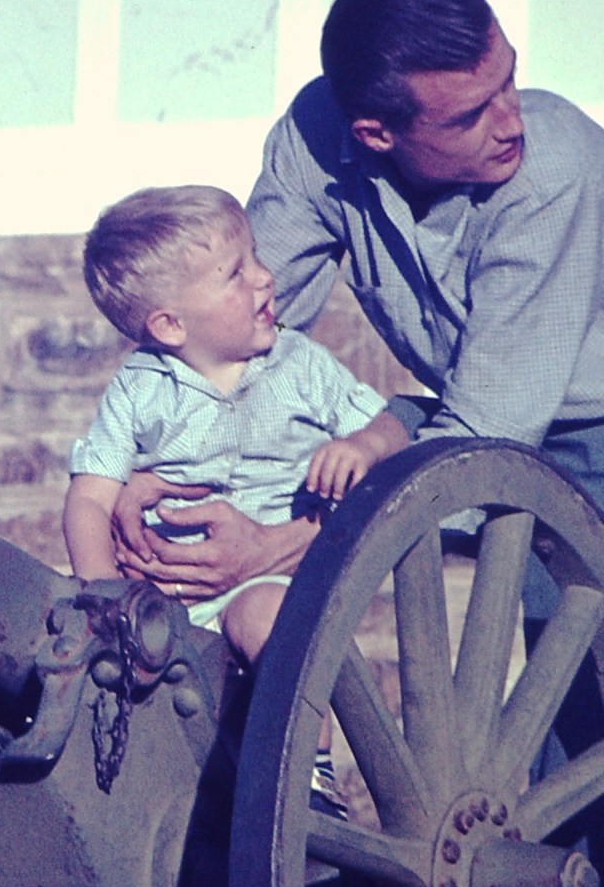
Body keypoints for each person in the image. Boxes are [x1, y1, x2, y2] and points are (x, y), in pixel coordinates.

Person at [110, 0, 604, 698]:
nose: (512, 121)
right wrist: (152, 456)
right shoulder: (317, 138)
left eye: (508, 78)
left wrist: (274, 550)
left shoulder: (554, 173)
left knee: (590, 732)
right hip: (490, 420)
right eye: (472, 114)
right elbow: (242, 324)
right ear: (376, 134)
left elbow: (485, 435)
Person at [63, 183, 409, 811]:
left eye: (254, 258)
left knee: (263, 618)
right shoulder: (139, 392)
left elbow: (386, 423)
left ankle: (308, 778)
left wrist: (362, 447)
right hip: (167, 601)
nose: (265, 279)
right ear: (170, 324)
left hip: (268, 582)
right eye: (236, 272)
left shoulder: (299, 367)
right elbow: (90, 499)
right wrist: (106, 596)